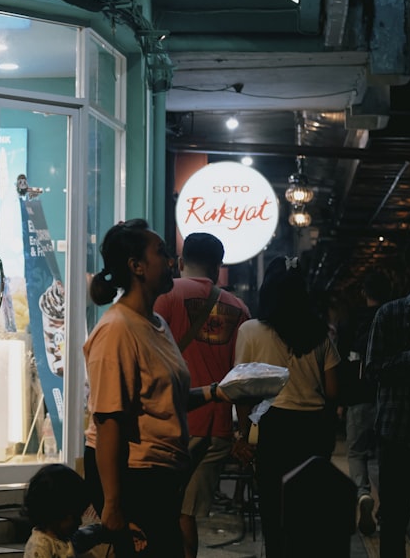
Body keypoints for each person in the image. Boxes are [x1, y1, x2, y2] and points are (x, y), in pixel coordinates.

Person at [83, 219, 226, 557]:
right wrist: (113, 505)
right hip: (135, 477)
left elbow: (162, 400)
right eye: (161, 253)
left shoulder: (156, 323)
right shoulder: (117, 330)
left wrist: (216, 392)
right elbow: (109, 422)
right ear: (136, 267)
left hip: (161, 475)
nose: (171, 260)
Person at [233, 256, 340, 558]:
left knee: (272, 506)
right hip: (313, 427)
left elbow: (241, 389)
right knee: (307, 508)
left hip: (273, 425)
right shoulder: (320, 333)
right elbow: (333, 390)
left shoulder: (250, 331)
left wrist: (242, 434)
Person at [154, 232, 250, 558]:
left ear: (180, 262)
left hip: (169, 423)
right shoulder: (238, 309)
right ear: (219, 267)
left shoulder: (164, 297)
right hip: (216, 429)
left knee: (162, 510)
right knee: (186, 513)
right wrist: (245, 431)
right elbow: (244, 377)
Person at [364, 237, 410, 558]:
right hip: (397, 429)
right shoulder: (391, 314)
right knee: (395, 513)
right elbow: (373, 370)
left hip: (400, 427)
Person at [336, 271, 390, 536]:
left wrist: (341, 401)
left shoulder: (351, 321)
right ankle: (387, 505)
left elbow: (342, 364)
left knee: (356, 452)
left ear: (364, 293)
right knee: (385, 454)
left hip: (357, 397)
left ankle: (363, 493)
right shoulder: (395, 318)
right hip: (389, 398)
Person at [22, 464, 90, 558]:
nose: (79, 522)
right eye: (74, 517)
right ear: (55, 514)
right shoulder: (41, 545)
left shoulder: (65, 537)